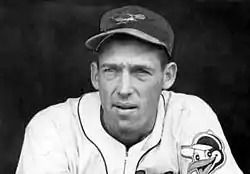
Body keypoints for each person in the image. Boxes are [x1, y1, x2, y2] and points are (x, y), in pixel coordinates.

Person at [16, 5, 243, 174]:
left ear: (168, 76)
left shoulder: (188, 116)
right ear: (95, 76)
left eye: (141, 72)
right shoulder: (52, 128)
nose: (124, 89)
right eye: (111, 70)